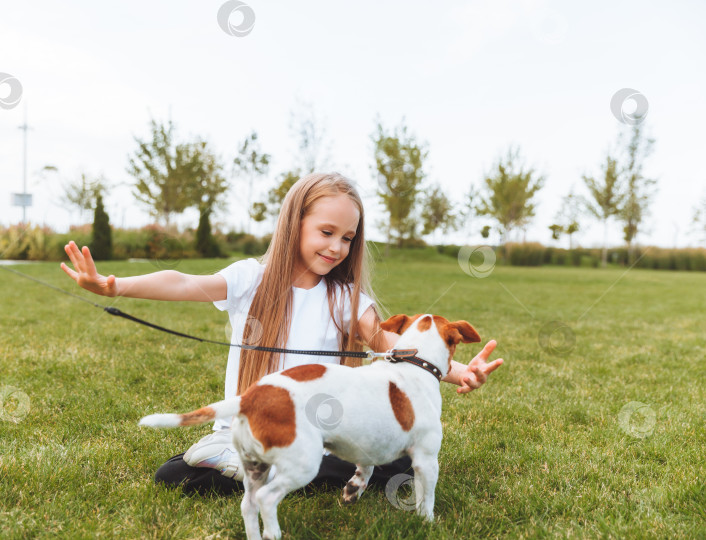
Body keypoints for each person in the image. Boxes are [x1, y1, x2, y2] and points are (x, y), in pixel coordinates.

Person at [61, 172, 503, 496]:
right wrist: (114, 286)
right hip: (254, 425)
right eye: (326, 232)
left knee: (392, 465)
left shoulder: (347, 298)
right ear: (295, 224)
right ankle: (265, 464)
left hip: (321, 432)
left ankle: (280, 470)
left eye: (347, 238)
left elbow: (398, 350)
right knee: (173, 477)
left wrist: (460, 370)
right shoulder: (250, 279)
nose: (336, 247)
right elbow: (181, 281)